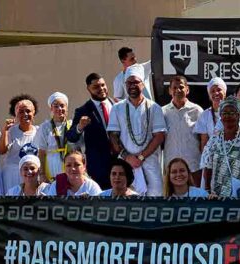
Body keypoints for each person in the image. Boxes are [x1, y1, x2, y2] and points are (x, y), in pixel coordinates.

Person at [107, 64, 167, 196]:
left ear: (143, 84)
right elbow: (113, 135)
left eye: (135, 82)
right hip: (126, 163)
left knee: (155, 197)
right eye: (129, 83)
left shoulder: (154, 108)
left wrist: (141, 157)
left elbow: (159, 136)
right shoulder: (117, 108)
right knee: (127, 198)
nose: (132, 85)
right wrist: (127, 157)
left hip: (150, 161)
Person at [200, 97, 240, 197]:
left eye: (232, 113)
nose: (228, 116)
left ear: (238, 115)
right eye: (225, 113)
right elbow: (207, 166)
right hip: (217, 195)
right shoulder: (214, 140)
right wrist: (207, 190)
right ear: (220, 116)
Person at [66, 73, 115, 189]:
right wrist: (80, 126)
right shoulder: (83, 110)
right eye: (96, 87)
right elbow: (71, 136)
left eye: (103, 85)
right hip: (99, 166)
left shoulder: (117, 105)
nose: (101, 89)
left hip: (119, 162)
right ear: (88, 89)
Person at [162, 76, 204, 185]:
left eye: (181, 87)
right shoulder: (162, 112)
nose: (178, 90)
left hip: (194, 167)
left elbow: (204, 140)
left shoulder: (197, 111)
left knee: (195, 194)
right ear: (169, 90)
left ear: (187, 89)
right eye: (174, 88)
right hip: (172, 169)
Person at [0, 95, 39, 192]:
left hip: (32, 174)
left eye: (28, 111)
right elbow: (1, 151)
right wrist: (5, 131)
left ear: (33, 112)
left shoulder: (39, 131)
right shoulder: (10, 131)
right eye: (21, 112)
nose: (25, 114)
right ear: (15, 114)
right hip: (12, 175)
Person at [34, 92, 73, 182]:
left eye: (62, 106)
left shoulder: (72, 125)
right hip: (52, 165)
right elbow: (41, 152)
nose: (59, 109)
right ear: (51, 109)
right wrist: (42, 174)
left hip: (70, 164)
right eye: (56, 106)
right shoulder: (45, 127)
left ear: (67, 108)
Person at [194, 77, 227, 152]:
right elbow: (204, 143)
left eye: (219, 90)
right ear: (209, 96)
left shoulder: (233, 112)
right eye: (212, 91)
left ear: (225, 93)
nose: (216, 93)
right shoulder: (205, 115)